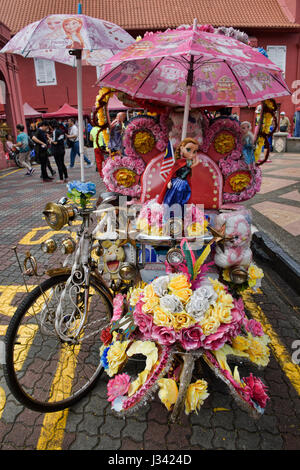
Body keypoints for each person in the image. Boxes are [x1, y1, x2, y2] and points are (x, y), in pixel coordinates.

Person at [157, 138, 200, 207]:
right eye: (188, 150)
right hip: (177, 183)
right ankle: (171, 213)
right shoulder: (179, 162)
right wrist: (169, 181)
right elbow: (171, 173)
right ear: (182, 148)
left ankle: (179, 214)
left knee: (183, 199)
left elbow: (193, 164)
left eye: (194, 151)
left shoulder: (188, 162)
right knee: (173, 198)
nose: (191, 154)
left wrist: (196, 158)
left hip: (185, 184)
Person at [49, 119, 68, 184]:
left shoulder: (55, 131)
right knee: (62, 163)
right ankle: (66, 177)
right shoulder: (61, 131)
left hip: (57, 150)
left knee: (59, 164)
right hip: (62, 149)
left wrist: (49, 139)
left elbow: (55, 142)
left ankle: (61, 179)